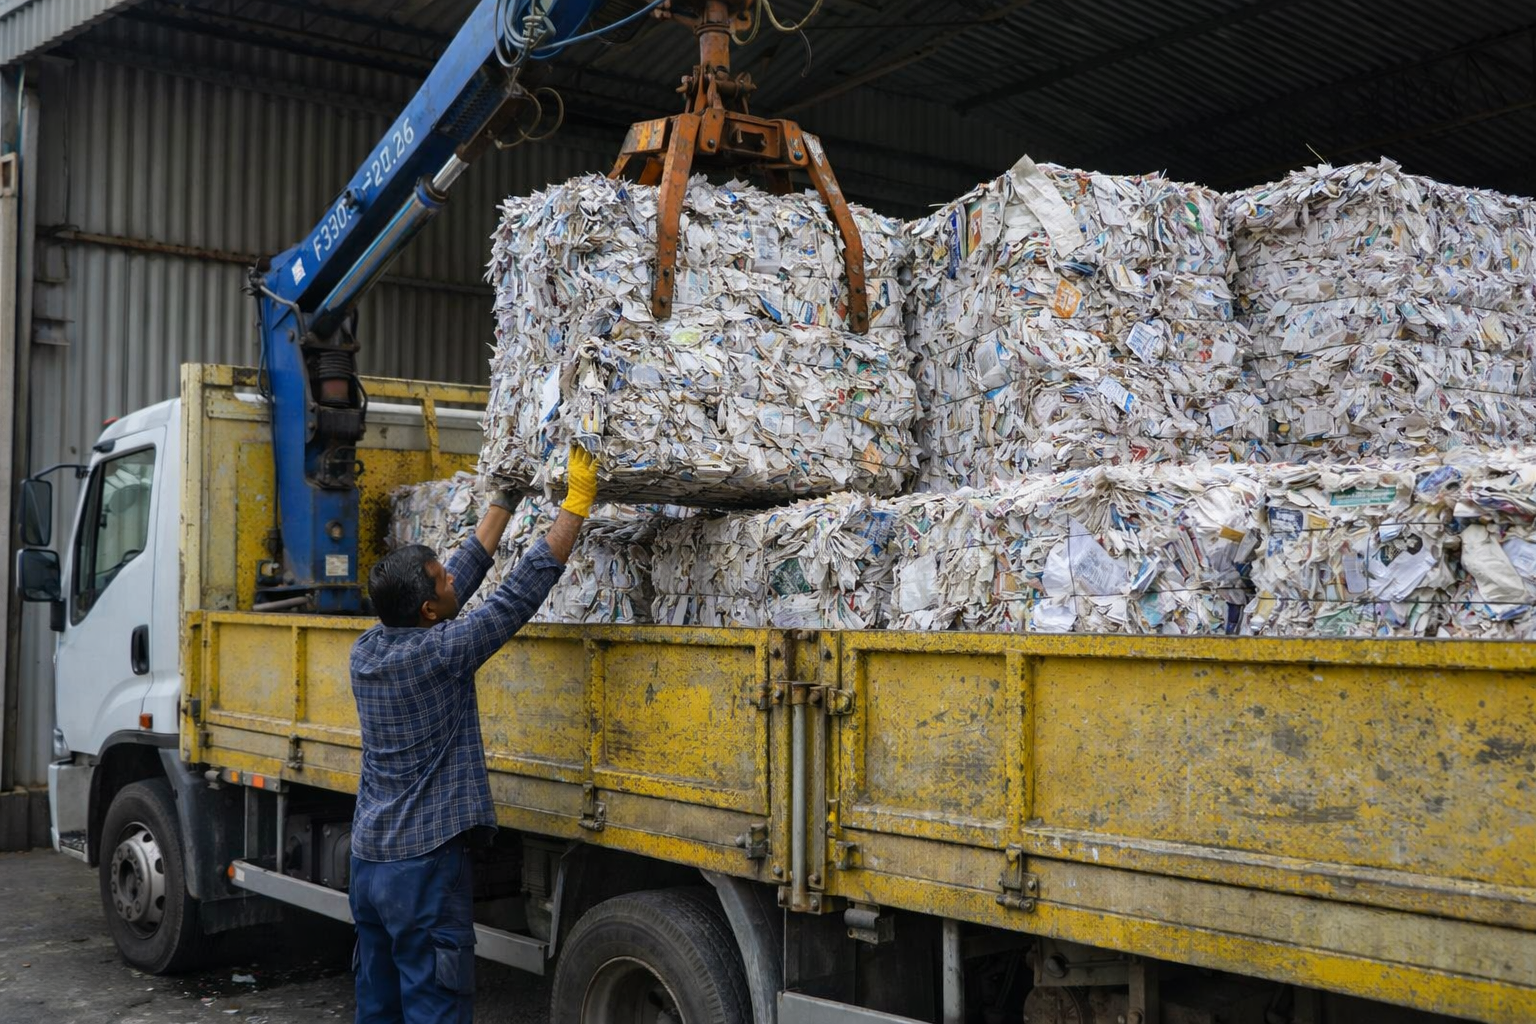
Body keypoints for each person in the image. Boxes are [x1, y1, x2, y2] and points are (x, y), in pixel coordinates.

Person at [347, 447, 600, 1023]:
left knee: (378, 1006)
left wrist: (502, 501)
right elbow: (517, 597)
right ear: (431, 611)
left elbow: (455, 580)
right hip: (424, 872)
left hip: (370, 865)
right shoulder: (443, 653)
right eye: (439, 580)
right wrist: (575, 506)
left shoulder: (369, 649)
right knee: (435, 1006)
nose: (448, 576)